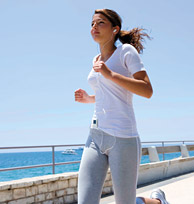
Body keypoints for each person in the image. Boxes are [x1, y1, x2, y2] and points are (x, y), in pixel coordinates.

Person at [75, 8, 168, 204]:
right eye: (92, 23)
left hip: (123, 138)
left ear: (115, 29)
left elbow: (147, 90)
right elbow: (109, 95)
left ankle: (158, 201)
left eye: (100, 23)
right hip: (96, 136)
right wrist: (88, 98)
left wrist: (111, 75)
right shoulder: (96, 60)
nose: (94, 27)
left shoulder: (126, 52)